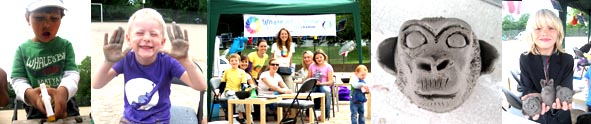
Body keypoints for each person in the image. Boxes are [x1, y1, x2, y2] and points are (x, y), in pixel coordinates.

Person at [92, 8, 207, 123]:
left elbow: (201, 86)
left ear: (162, 42)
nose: (146, 38)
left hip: (159, 120)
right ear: (129, 39)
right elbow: (97, 84)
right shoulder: (126, 59)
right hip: (130, 120)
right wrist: (108, 62)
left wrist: (185, 60)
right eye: (139, 33)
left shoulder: (168, 62)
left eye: (153, 34)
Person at [11, 0, 79, 119]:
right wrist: (29, 94)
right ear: (27, 18)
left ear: (61, 18)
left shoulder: (65, 46)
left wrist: (63, 92)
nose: (46, 25)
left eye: (54, 19)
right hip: (35, 107)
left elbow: (72, 74)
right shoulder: (22, 50)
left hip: (66, 104)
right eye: (39, 18)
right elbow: (18, 80)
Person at [519, 9, 573, 124]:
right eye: (538, 28)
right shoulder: (525, 59)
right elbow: (525, 88)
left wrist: (562, 103)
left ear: (558, 32)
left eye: (551, 28)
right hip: (538, 117)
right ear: (531, 33)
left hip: (561, 118)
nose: (545, 33)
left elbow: (566, 89)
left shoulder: (567, 59)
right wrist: (530, 98)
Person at [221, 54, 251, 123]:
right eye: (232, 60)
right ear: (229, 62)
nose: (234, 62)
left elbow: (243, 84)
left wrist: (247, 89)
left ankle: (248, 115)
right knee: (237, 98)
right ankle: (240, 116)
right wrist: (220, 92)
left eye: (236, 60)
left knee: (249, 99)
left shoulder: (242, 72)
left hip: (238, 91)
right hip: (229, 91)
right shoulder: (227, 71)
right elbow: (223, 83)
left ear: (239, 62)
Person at [306, 49, 333, 118]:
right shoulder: (312, 66)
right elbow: (309, 78)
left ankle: (325, 115)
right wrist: (313, 82)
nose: (319, 59)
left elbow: (330, 82)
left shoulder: (328, 67)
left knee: (326, 91)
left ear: (324, 57)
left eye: (320, 57)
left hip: (324, 85)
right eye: (317, 58)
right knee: (309, 92)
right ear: (314, 59)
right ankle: (309, 114)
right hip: (314, 85)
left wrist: (321, 83)